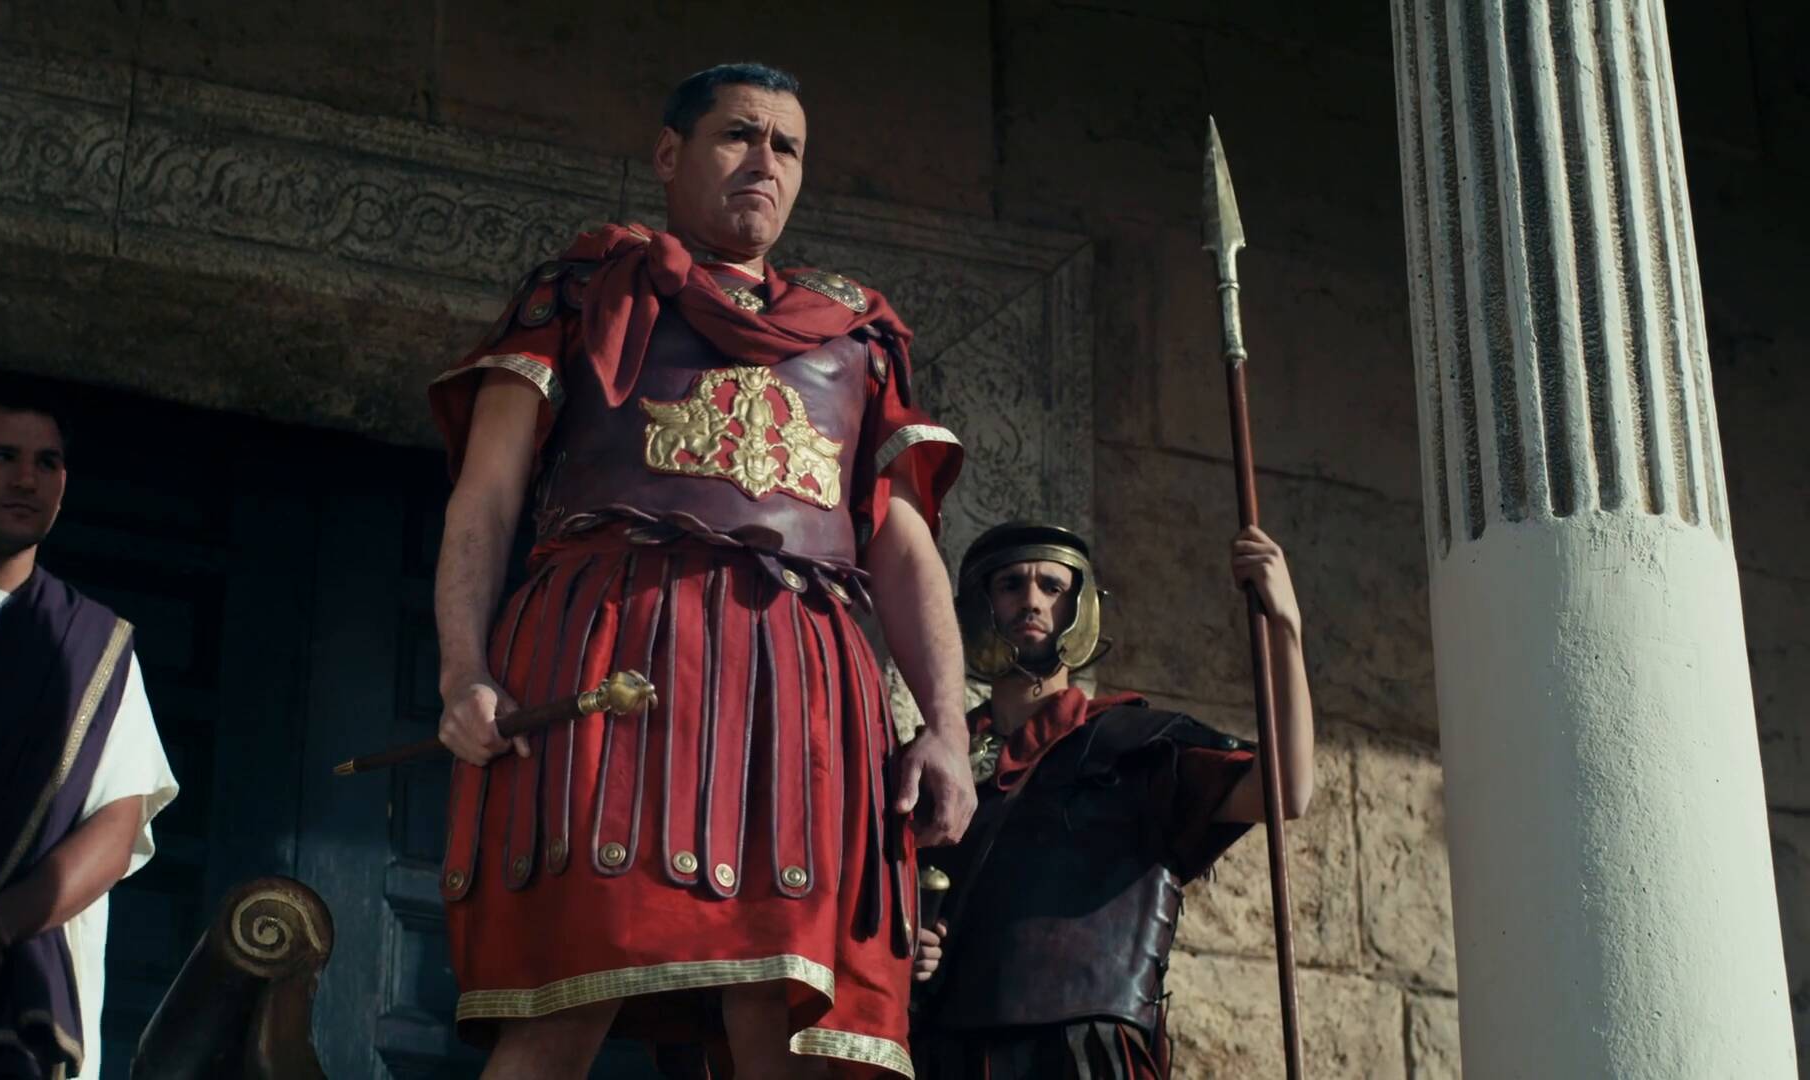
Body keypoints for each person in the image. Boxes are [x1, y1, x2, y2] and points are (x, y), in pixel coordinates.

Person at [428, 61, 976, 1078]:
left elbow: (902, 544)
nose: (765, 161)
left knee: (786, 1015)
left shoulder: (858, 335)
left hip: (805, 684)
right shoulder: (584, 292)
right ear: (669, 155)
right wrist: (465, 671)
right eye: (739, 135)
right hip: (613, 653)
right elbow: (487, 496)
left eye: (787, 146)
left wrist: (946, 727)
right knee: (563, 996)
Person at [908, 522, 1314, 1079]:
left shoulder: (1134, 747)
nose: (1032, 600)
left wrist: (1285, 626)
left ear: (1082, 607)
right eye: (1010, 585)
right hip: (950, 1061)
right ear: (979, 606)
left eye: (1053, 587)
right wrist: (907, 950)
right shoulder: (931, 770)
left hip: (1084, 1059)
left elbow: (1284, 790)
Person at [0, 388, 179, 1079]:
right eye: (1, 457)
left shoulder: (93, 646)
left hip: (20, 1009)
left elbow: (118, 823)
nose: (27, 479)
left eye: (46, 463)